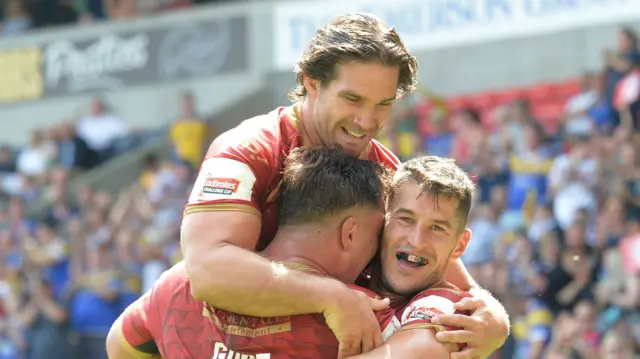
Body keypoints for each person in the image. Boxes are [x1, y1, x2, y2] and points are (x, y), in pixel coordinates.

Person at [180, 13, 509, 358]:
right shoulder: (248, 149)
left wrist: (494, 319)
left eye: (383, 104)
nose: (367, 122)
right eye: (352, 100)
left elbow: (447, 276)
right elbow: (206, 271)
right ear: (312, 83)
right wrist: (330, 297)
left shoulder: (386, 173)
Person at [106, 148, 474, 359]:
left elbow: (119, 347)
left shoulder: (179, 285)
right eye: (387, 226)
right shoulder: (365, 317)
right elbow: (425, 350)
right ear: (351, 232)